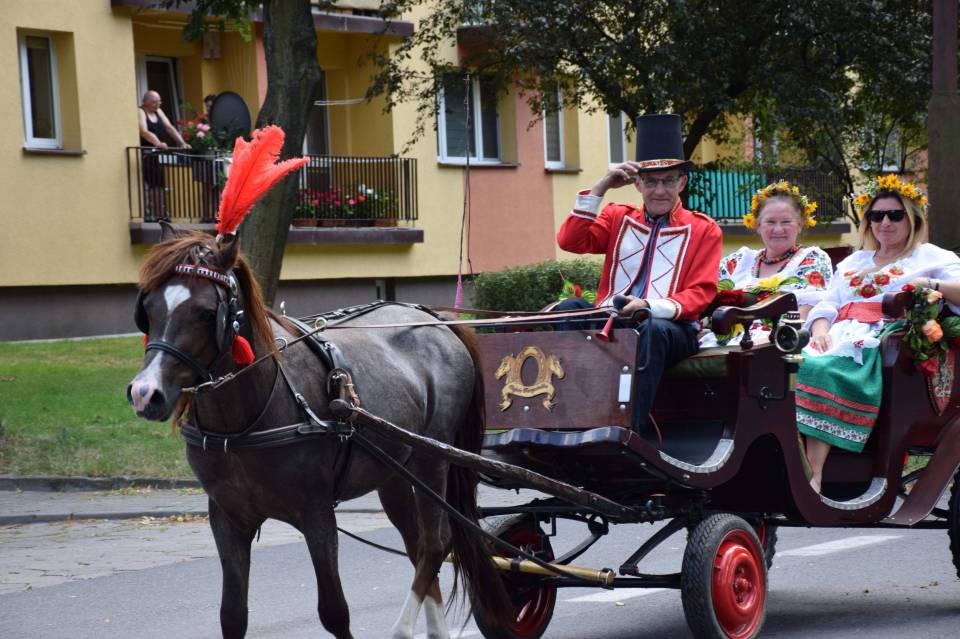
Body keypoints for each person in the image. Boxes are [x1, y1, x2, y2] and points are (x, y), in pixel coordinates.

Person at [556, 113, 722, 433]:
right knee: (568, 309)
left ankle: (628, 431)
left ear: (682, 183)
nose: (659, 190)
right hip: (613, 320)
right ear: (637, 184)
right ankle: (568, 416)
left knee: (651, 330)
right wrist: (602, 187)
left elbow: (701, 293)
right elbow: (570, 241)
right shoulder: (617, 217)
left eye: (668, 181)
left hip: (671, 329)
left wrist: (648, 306)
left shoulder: (704, 229)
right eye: (651, 181)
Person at [798, 175, 960, 493]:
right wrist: (819, 330)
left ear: (913, 219)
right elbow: (828, 303)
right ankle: (787, 464)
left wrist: (930, 284)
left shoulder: (931, 256)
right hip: (837, 333)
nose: (885, 222)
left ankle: (813, 477)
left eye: (895, 215)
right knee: (783, 368)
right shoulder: (854, 261)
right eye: (876, 215)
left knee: (819, 369)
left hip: (881, 339)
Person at [700, 181, 833, 347]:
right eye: (770, 222)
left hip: (776, 345)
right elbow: (704, 295)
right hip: (721, 346)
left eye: (786, 222)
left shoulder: (812, 259)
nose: (778, 229)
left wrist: (765, 342)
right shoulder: (738, 261)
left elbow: (805, 311)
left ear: (800, 225)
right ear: (758, 225)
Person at [138, 90, 191, 220]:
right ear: (146, 102)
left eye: (159, 102)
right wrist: (157, 143)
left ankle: (160, 214)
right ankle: (157, 215)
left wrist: (182, 143)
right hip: (146, 154)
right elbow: (143, 131)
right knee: (155, 184)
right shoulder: (140, 111)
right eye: (155, 102)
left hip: (157, 154)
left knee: (159, 183)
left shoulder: (158, 111)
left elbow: (169, 128)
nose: (158, 104)